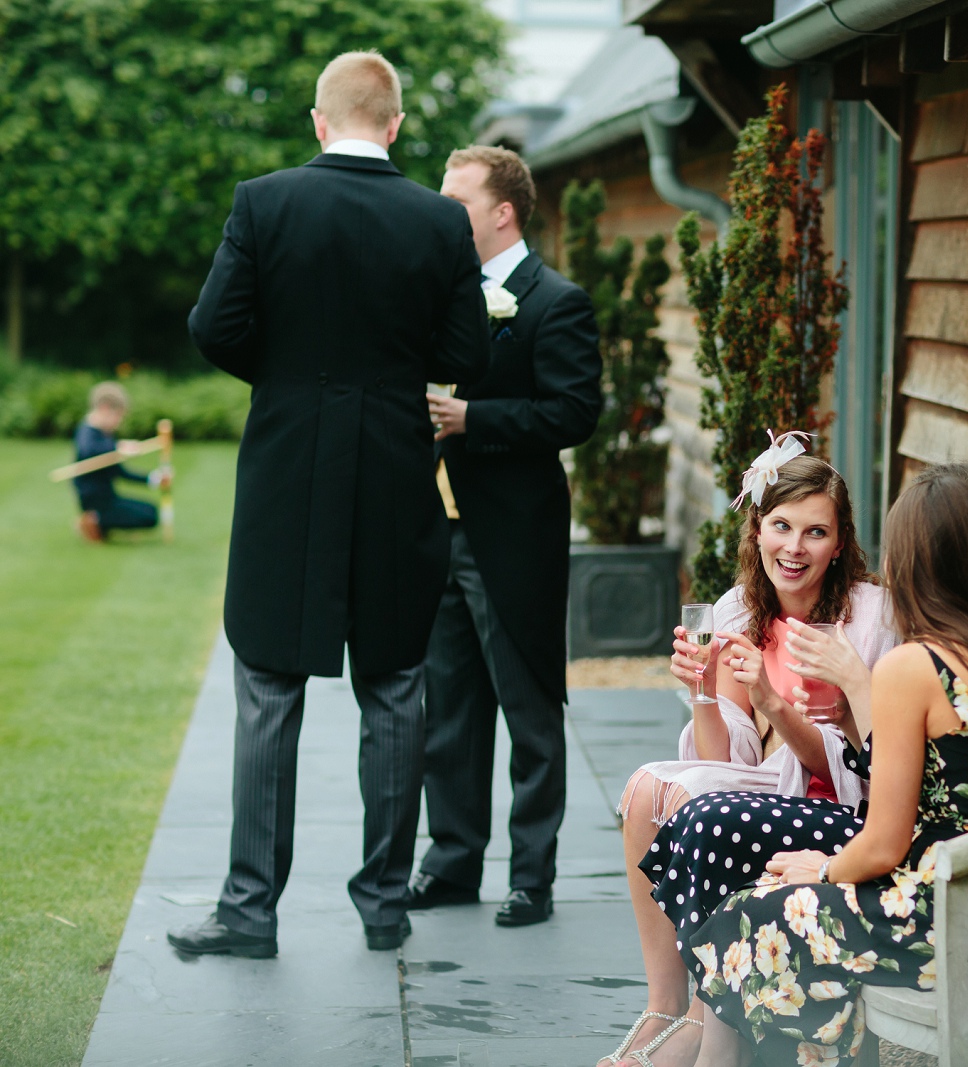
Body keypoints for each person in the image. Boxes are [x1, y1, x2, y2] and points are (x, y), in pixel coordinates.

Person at [168, 50, 490, 960]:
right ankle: (385, 903)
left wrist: (290, 381)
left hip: (286, 473)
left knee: (268, 684)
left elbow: (213, 326)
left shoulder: (263, 201)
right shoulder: (439, 220)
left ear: (319, 121)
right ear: (393, 125)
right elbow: (469, 347)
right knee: (394, 687)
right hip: (394, 473)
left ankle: (248, 909)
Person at [684, 461, 968, 1067]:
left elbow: (884, 843)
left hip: (945, 918)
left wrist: (824, 869)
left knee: (752, 913)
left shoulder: (916, 667)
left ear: (929, 559)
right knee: (781, 902)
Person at [602, 440, 895, 1066]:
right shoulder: (738, 609)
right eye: (781, 527)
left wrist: (772, 696)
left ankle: (706, 1029)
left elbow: (851, 768)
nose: (794, 548)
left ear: (840, 543)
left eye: (816, 532)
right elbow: (728, 759)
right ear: (757, 529)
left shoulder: (868, 619)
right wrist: (705, 695)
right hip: (763, 788)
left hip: (843, 802)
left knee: (691, 803)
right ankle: (666, 1003)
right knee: (648, 788)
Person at [401, 145, 602, 928]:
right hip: (439, 535)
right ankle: (451, 863)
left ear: (502, 212)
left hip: (514, 540)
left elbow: (574, 412)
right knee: (446, 710)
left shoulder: (555, 301)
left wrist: (472, 418)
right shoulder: (438, 296)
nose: (442, 213)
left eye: (457, 202)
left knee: (528, 709)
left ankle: (531, 878)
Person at [70, 382, 169, 542]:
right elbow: (89, 450)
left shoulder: (105, 435)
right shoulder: (87, 431)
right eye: (119, 416)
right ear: (105, 408)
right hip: (95, 500)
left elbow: (119, 472)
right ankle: (93, 520)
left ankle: (100, 525)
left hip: (109, 497)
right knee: (147, 517)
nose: (119, 422)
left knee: (151, 511)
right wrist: (118, 447)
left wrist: (154, 479)